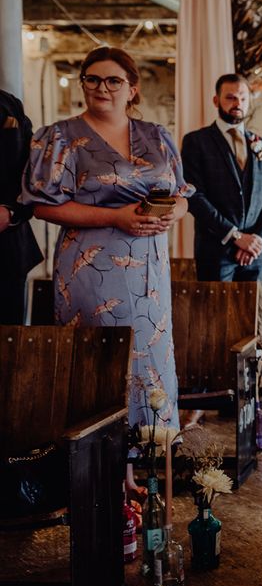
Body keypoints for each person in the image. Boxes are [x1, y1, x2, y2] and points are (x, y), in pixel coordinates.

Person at [21, 46, 193, 436]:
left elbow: (182, 195)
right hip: (91, 269)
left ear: (132, 89)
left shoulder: (156, 136)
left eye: (114, 80)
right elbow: (42, 206)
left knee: (150, 356)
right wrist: (116, 217)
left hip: (150, 269)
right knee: (99, 359)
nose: (103, 87)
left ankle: (148, 454)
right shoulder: (60, 137)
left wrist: (173, 212)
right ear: (83, 83)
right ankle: (101, 464)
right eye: (93, 79)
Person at [181, 73, 262, 282]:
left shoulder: (261, 144)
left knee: (253, 313)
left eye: (243, 98)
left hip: (254, 253)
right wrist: (236, 237)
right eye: (231, 97)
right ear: (216, 100)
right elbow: (194, 196)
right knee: (215, 314)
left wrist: (257, 240)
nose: (238, 103)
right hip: (215, 252)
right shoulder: (196, 142)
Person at [0, 90, 43, 324]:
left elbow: (33, 172)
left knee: (7, 351)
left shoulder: (8, 104)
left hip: (6, 255)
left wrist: (10, 211)